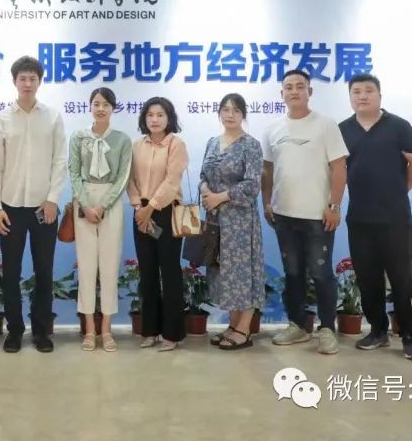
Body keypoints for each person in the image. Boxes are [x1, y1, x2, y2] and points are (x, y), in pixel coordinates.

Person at [339, 73, 412, 361]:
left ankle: (409, 334)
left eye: (368, 91)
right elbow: (337, 171)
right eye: (356, 92)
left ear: (379, 95)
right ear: (350, 97)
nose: (362, 96)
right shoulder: (343, 130)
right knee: (367, 278)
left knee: (401, 278)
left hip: (395, 217)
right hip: (359, 217)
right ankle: (377, 330)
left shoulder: (399, 126)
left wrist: (401, 189)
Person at [262, 69, 348, 355]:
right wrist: (267, 202)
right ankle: (298, 325)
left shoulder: (325, 125)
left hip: (318, 216)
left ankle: (327, 329)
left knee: (321, 274)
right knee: (293, 273)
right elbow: (267, 170)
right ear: (282, 94)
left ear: (309, 91)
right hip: (283, 215)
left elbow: (339, 167)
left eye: (300, 86)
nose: (294, 91)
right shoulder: (272, 128)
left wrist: (334, 206)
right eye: (289, 87)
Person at [0, 56, 66, 354]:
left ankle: (42, 331)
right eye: (23, 78)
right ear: (15, 81)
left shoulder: (53, 117)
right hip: (10, 208)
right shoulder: (2, 119)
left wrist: (53, 198)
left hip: (44, 207)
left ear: (39, 81)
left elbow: (60, 161)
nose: (28, 83)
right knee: (10, 272)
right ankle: (15, 330)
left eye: (33, 78)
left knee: (44, 271)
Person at [68, 87, 131, 352]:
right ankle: (89, 329)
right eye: (96, 103)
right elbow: (73, 173)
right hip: (83, 200)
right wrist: (85, 204)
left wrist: (104, 205)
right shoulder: (78, 136)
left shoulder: (122, 140)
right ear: (90, 106)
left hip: (111, 203)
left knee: (109, 266)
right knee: (86, 267)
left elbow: (123, 176)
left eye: (106, 104)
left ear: (113, 108)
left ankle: (106, 329)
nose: (101, 108)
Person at [200, 93, 264, 351]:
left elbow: (252, 185)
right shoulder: (212, 142)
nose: (230, 114)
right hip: (216, 219)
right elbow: (203, 175)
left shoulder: (251, 145)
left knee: (242, 273)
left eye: (236, 110)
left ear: (243, 115)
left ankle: (243, 329)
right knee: (224, 272)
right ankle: (232, 324)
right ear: (219, 113)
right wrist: (206, 191)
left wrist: (220, 197)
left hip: (240, 220)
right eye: (225, 109)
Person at [128, 96, 187, 352]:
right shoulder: (136, 145)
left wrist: (150, 207)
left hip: (166, 211)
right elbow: (129, 179)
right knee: (147, 272)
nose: (154, 119)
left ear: (169, 118)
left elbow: (172, 182)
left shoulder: (176, 144)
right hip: (140, 212)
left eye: (160, 115)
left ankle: (172, 334)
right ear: (144, 118)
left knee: (170, 272)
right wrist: (138, 207)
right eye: (150, 115)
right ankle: (150, 330)